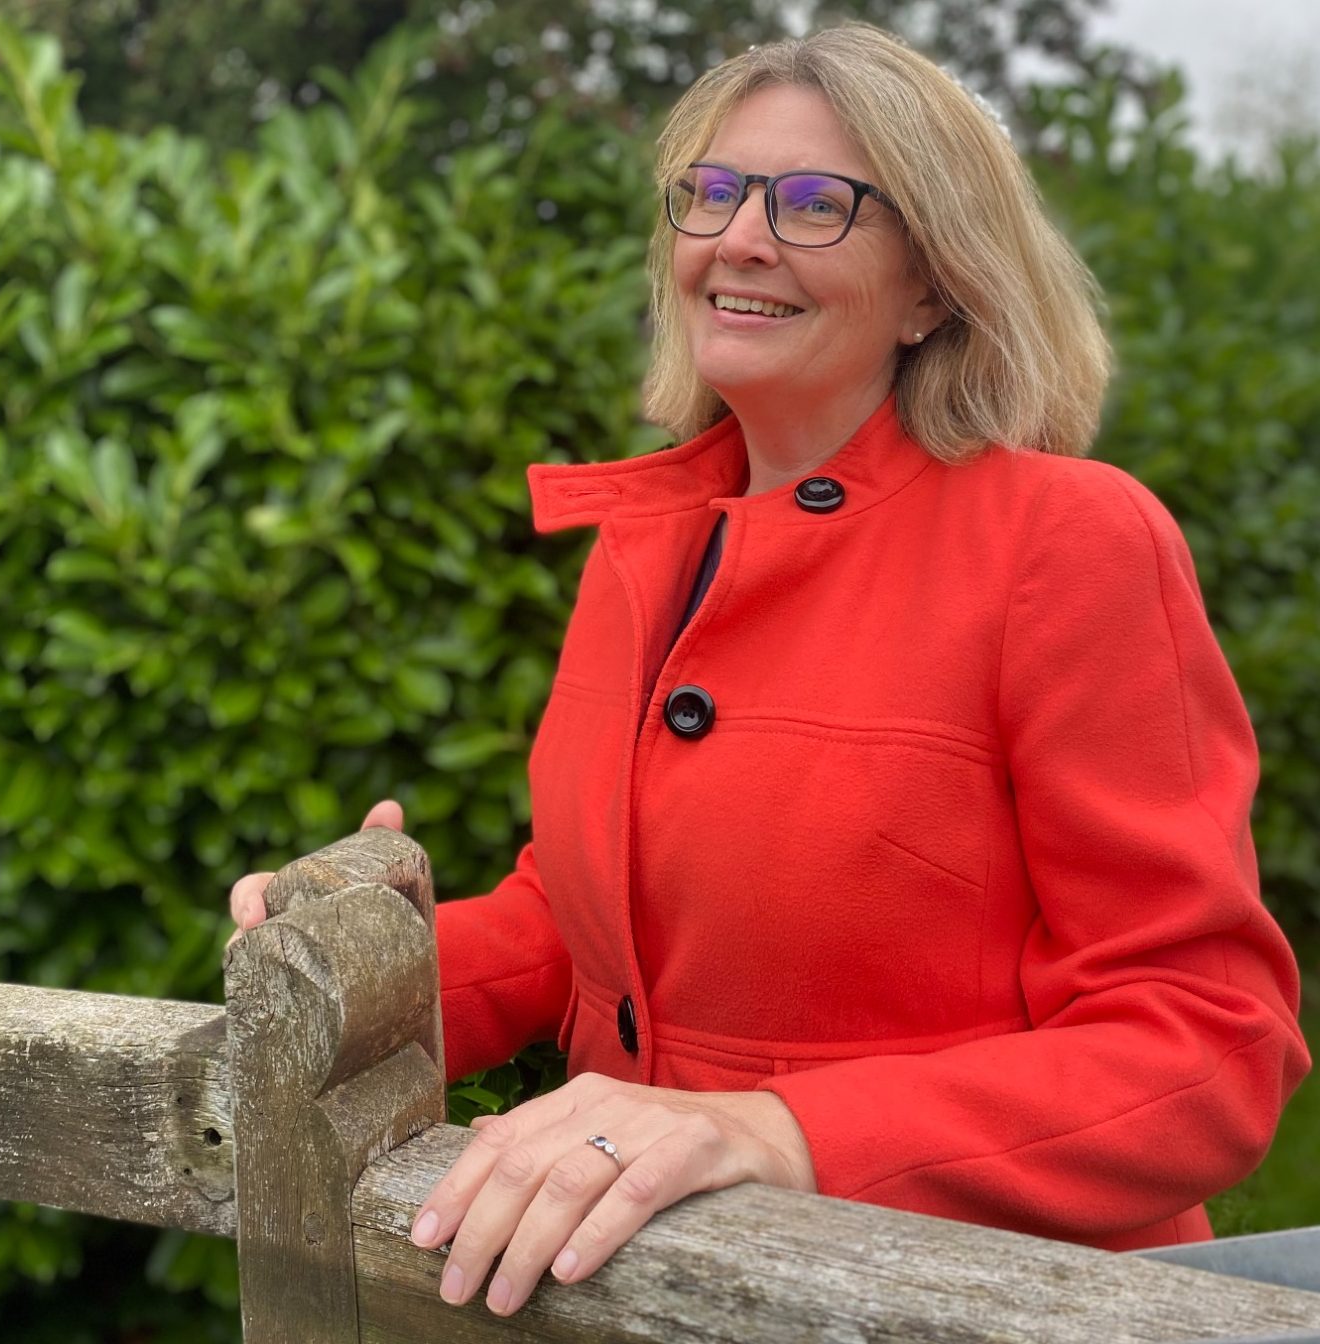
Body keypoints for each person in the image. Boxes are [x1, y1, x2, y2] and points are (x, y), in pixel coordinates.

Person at [229, 22, 1310, 1319]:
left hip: (980, 1309)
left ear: (934, 285)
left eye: (812, 204)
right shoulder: (645, 545)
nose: (740, 236)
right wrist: (362, 968)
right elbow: (586, 928)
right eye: (713, 192)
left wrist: (775, 1130)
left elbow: (1206, 1048)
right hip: (657, 1295)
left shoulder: (1067, 540)